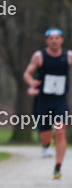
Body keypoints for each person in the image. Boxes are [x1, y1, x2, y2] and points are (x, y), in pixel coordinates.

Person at [23, 28, 71, 179]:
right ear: (46, 41)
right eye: (51, 38)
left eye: (57, 38)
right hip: (43, 99)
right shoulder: (39, 56)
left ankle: (58, 167)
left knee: (60, 131)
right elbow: (27, 73)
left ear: (62, 40)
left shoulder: (68, 56)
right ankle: (45, 144)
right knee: (45, 135)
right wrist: (32, 85)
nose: (54, 40)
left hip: (60, 100)